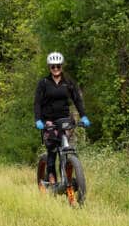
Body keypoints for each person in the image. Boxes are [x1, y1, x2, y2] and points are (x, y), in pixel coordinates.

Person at [33, 51, 89, 184]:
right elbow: (37, 103)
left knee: (65, 148)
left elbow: (77, 100)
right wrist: (38, 120)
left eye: (58, 66)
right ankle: (51, 179)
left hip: (64, 119)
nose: (56, 69)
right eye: (53, 66)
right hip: (49, 120)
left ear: (61, 66)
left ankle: (67, 178)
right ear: (49, 67)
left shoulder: (68, 82)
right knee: (52, 149)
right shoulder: (44, 83)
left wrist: (84, 116)